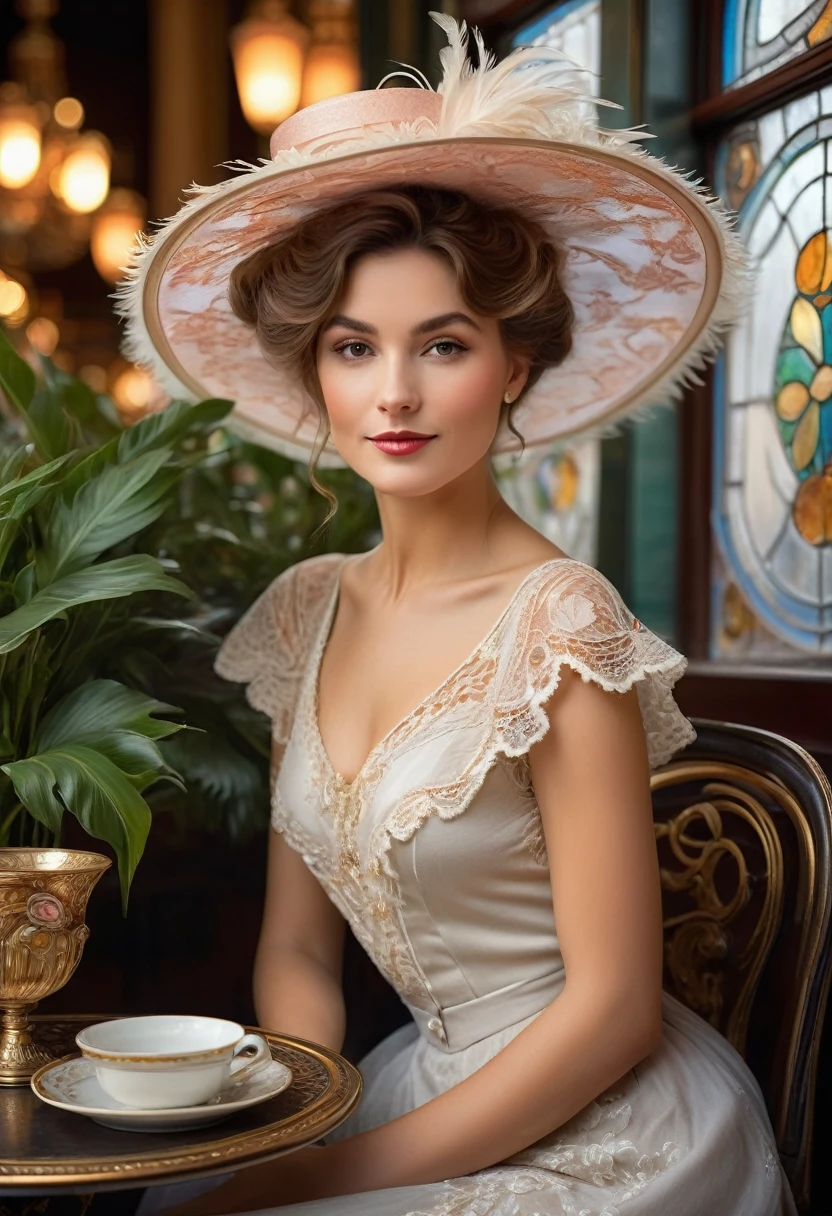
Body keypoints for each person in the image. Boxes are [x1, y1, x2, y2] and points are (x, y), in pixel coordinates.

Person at [123, 16, 793, 1215]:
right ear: (312, 371)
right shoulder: (306, 611)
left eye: (442, 343)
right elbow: (296, 951)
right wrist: (293, 1133)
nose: (393, 394)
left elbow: (611, 1013)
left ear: (514, 365)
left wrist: (330, 1174)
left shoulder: (558, 626)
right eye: (351, 346)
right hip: (399, 1091)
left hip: (600, 1129)